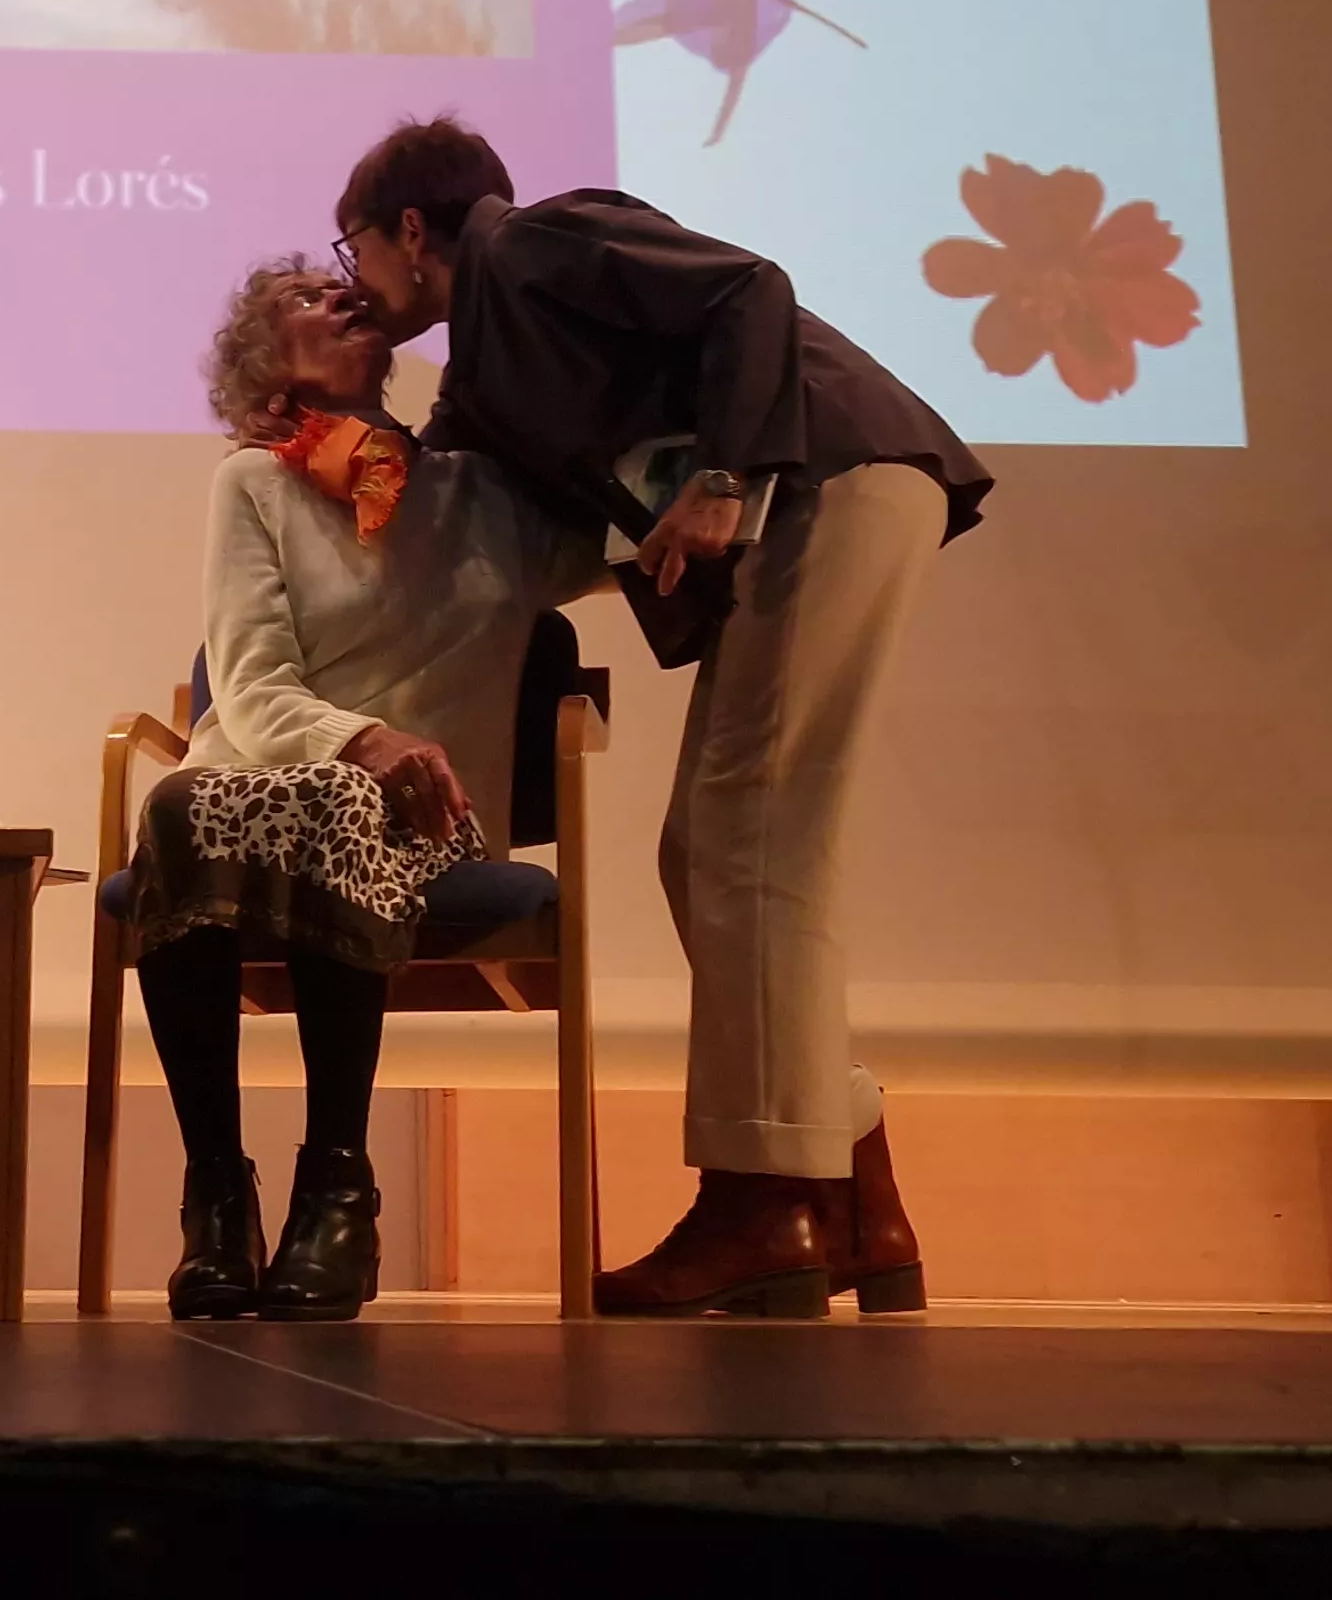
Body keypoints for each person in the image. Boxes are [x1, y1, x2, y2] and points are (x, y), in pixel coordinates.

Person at [327, 117, 992, 1318]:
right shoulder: (482, 371)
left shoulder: (534, 241)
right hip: (813, 503)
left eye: (352, 252)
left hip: (821, 483)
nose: (352, 280)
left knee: (750, 839)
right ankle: (852, 1190)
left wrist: (722, 479)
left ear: (409, 229)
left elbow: (749, 289)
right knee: (711, 851)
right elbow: (453, 527)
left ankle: (762, 1207)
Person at [132, 261, 595, 1320]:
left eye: (344, 288)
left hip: (420, 818)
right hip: (251, 796)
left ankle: (336, 1188)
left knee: (339, 803)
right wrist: (363, 737)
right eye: (304, 298)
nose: (338, 296)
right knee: (173, 804)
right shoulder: (251, 481)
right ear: (264, 371)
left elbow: (621, 535)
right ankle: (216, 1198)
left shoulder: (484, 492)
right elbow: (246, 687)